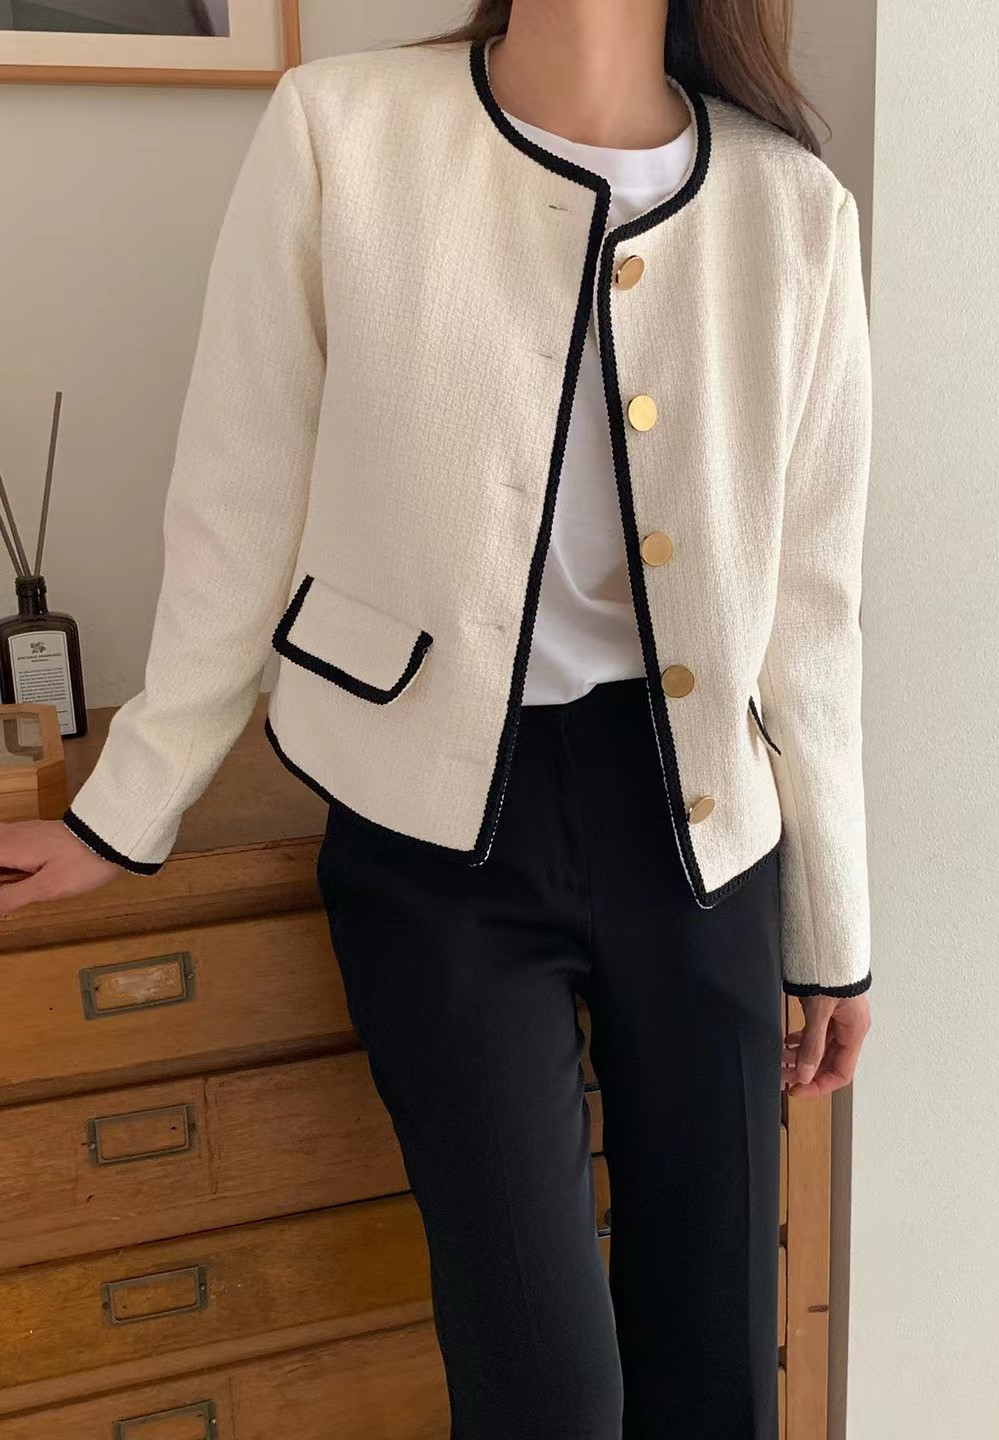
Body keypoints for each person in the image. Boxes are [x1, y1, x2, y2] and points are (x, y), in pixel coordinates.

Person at [0, 3, 873, 1435]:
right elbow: (237, 490)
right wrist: (127, 805)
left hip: (705, 835)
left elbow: (815, 610)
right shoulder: (342, 130)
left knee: (717, 1370)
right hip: (432, 814)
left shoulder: (794, 207)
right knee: (542, 1390)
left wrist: (834, 927)